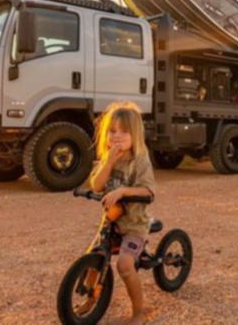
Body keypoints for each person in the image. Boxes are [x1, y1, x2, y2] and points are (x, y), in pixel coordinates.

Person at [88, 101, 156, 325]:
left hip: (134, 224)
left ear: (135, 134)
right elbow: (97, 185)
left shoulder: (140, 160)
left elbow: (148, 191)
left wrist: (123, 191)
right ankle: (90, 299)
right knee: (92, 259)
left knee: (125, 265)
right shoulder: (109, 157)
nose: (117, 136)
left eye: (124, 131)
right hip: (111, 222)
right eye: (112, 131)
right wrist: (107, 162)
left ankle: (138, 313)